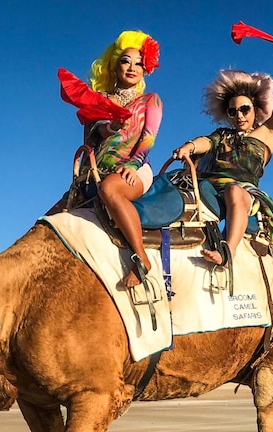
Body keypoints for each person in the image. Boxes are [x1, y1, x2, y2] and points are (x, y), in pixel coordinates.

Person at [171, 35, 273, 266]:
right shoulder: (222, 135)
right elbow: (205, 142)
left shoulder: (268, 133)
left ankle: (228, 251)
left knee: (235, 192)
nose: (239, 116)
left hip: (243, 192)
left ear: (255, 109)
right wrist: (189, 147)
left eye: (245, 109)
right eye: (233, 111)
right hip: (209, 188)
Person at [63, 30, 163, 288]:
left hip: (136, 168)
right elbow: (96, 133)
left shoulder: (150, 100)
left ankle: (141, 259)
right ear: (114, 66)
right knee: (51, 218)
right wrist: (112, 126)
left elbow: (148, 138)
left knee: (110, 190)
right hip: (96, 171)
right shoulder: (100, 101)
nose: (132, 67)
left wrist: (133, 164)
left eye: (139, 63)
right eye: (125, 61)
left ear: (145, 70)